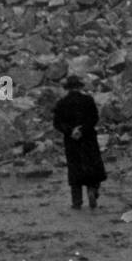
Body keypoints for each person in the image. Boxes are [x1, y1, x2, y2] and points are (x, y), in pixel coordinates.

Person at [52, 75, 107, 209]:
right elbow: (94, 118)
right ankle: (92, 189)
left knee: (75, 168)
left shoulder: (61, 103)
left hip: (72, 141)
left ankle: (77, 201)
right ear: (79, 86)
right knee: (91, 165)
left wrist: (71, 131)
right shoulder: (88, 100)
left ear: (67, 88)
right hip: (88, 137)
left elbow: (57, 123)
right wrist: (82, 129)